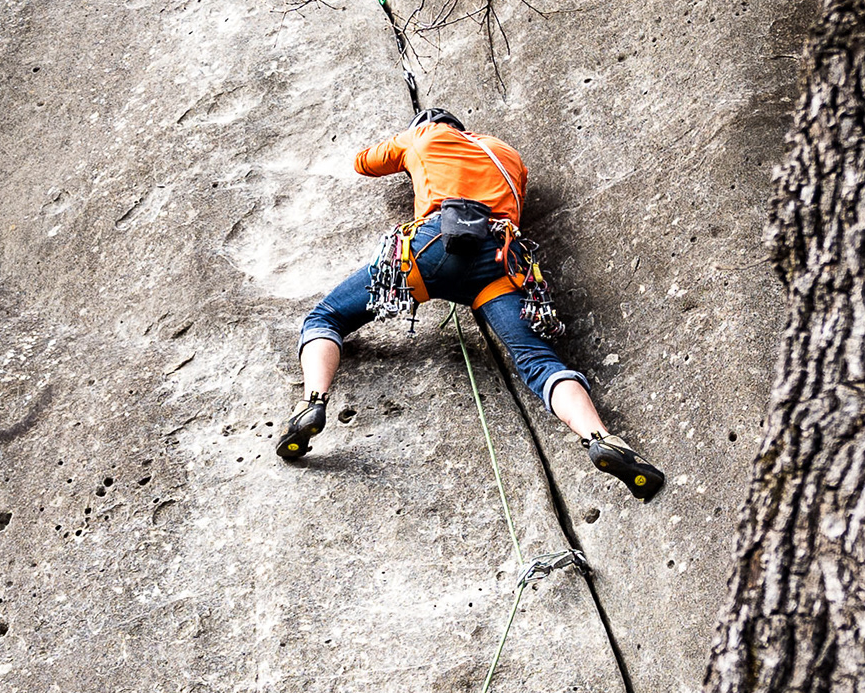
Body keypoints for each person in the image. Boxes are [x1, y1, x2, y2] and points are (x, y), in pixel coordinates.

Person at [277, 107, 665, 498]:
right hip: (500, 263)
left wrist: (411, 151)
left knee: (326, 316)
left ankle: (312, 402)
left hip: (431, 249)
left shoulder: (423, 135)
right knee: (539, 362)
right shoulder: (507, 154)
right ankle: (600, 436)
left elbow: (363, 163)